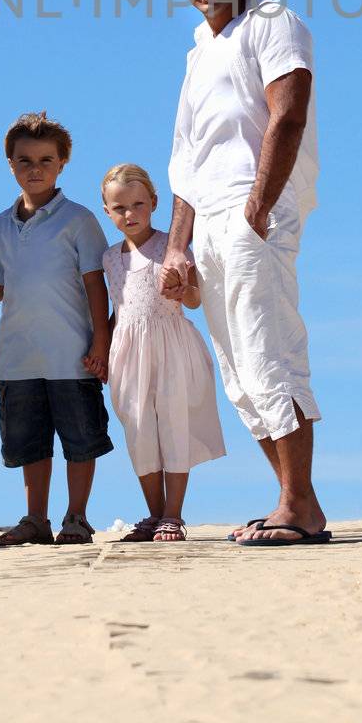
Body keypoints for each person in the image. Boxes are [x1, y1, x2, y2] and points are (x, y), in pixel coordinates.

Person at [163, 0, 329, 547]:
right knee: (237, 370)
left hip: (254, 211)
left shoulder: (273, 21)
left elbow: (288, 114)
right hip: (206, 219)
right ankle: (296, 502)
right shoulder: (198, 51)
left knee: (270, 350)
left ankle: (300, 506)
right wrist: (177, 245)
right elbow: (186, 159)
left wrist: (258, 209)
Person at [0, 112, 113, 546]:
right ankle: (35, 519)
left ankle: (77, 517)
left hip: (73, 354)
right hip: (17, 356)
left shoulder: (79, 220)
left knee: (80, 438)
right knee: (30, 442)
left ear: (62, 164)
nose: (35, 169)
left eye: (46, 160)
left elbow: (96, 285)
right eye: (25, 160)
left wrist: (101, 341)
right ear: (10, 164)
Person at [100, 163, 225, 543]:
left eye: (138, 204)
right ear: (107, 212)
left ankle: (173, 514)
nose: (130, 214)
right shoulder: (109, 258)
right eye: (119, 208)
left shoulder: (172, 247)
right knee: (139, 430)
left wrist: (181, 289)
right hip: (128, 353)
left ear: (154, 203)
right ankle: (154, 513)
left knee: (173, 424)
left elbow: (194, 298)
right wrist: (101, 349)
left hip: (171, 347)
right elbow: (117, 308)